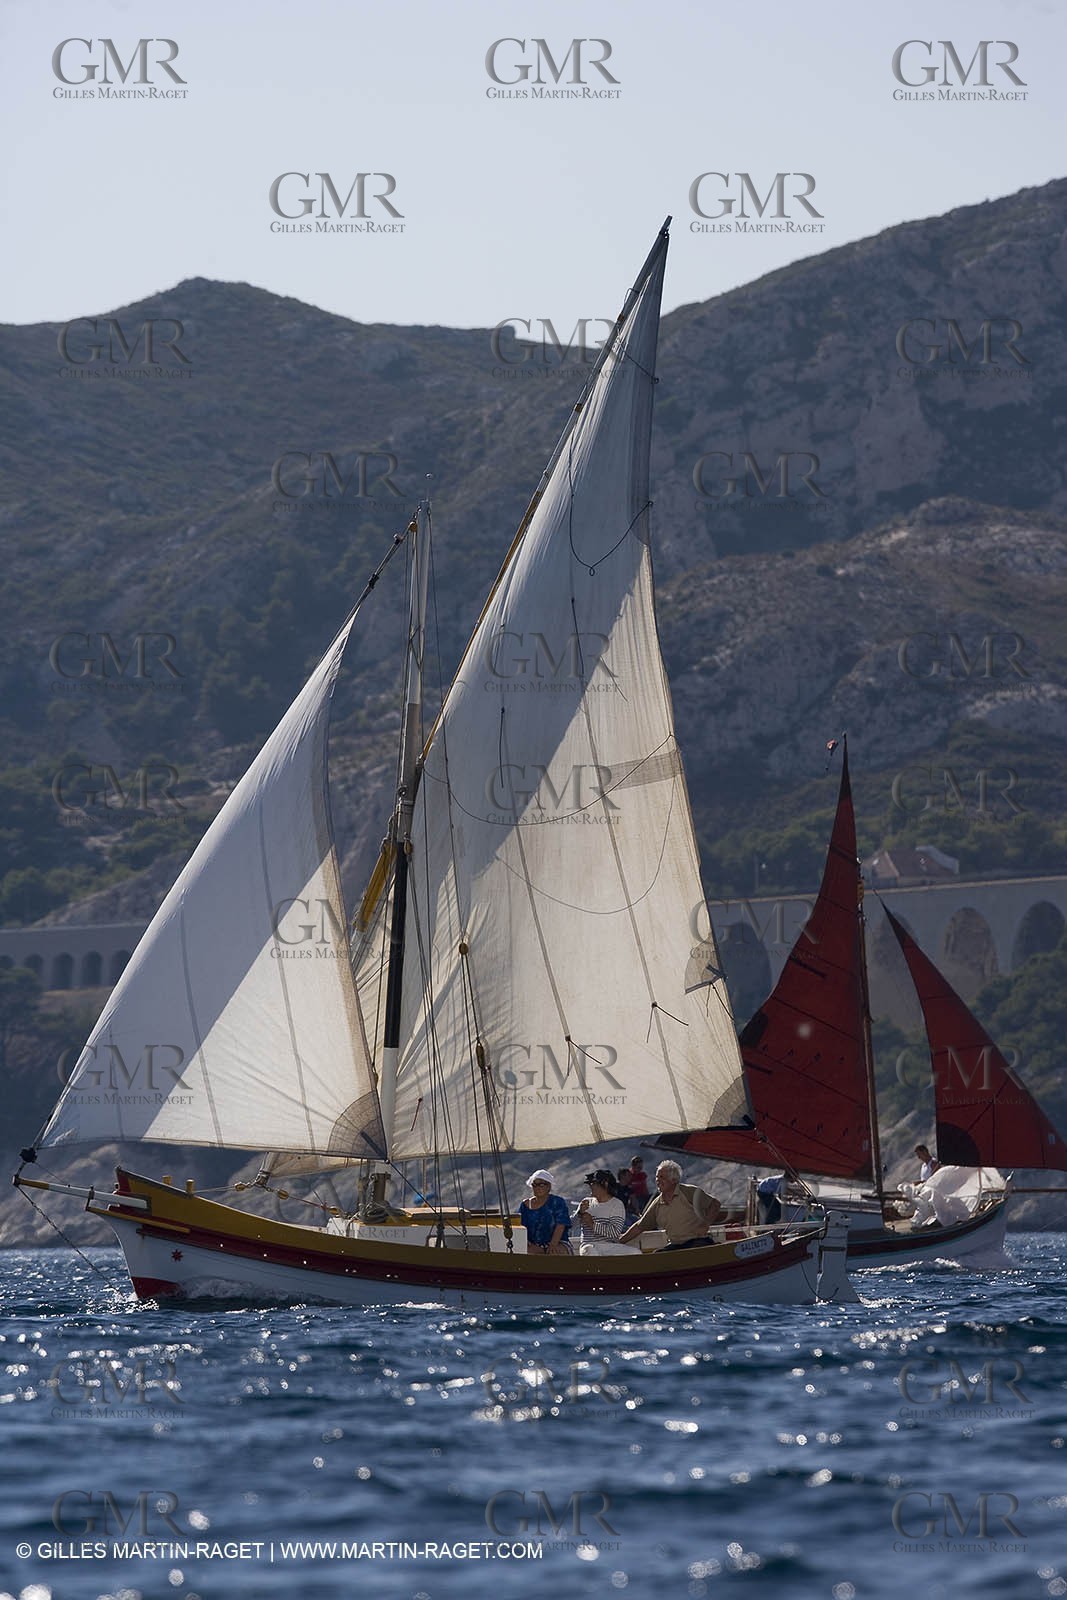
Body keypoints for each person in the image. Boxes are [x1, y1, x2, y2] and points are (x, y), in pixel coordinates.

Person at [619, 1159, 723, 1251]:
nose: (658, 1180)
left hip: (697, 1241)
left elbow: (715, 1204)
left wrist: (705, 1224)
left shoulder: (689, 1191)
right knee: (657, 1256)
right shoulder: (657, 1203)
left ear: (674, 1180)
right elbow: (640, 1226)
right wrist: (620, 1240)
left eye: (662, 1177)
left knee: (694, 1250)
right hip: (676, 1245)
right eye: (657, 1177)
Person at [574, 1170, 633, 1255]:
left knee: (635, 1252)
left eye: (594, 1183)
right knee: (591, 1252)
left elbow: (615, 1233)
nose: (591, 1185)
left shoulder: (617, 1204)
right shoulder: (585, 1202)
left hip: (610, 1247)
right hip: (589, 1245)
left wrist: (592, 1224)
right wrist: (579, 1213)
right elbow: (570, 1225)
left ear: (605, 1184)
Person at [519, 1169, 572, 1255]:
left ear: (549, 1186)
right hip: (533, 1245)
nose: (538, 1188)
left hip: (558, 1242)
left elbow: (561, 1225)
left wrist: (553, 1244)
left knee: (554, 1253)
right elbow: (521, 1226)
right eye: (535, 1185)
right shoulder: (525, 1205)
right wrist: (526, 1242)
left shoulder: (558, 1202)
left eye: (542, 1184)